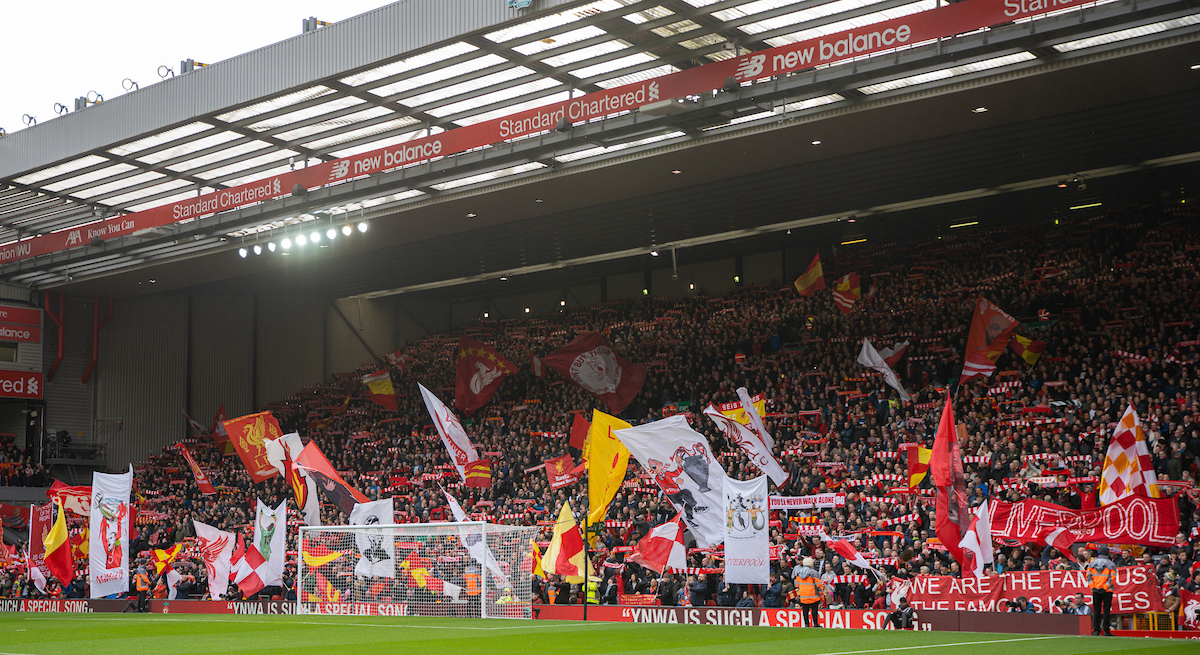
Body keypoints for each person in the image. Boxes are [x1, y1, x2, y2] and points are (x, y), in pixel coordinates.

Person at [1087, 546, 1116, 636]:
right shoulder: (1111, 564)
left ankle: (1096, 630)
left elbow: (1088, 577)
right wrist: (1105, 587)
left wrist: (1093, 587)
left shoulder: (1092, 564)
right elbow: (1112, 577)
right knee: (1106, 610)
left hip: (1095, 589)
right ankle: (1106, 630)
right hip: (1107, 590)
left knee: (1096, 610)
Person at [792, 557, 824, 627]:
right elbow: (819, 585)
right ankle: (815, 624)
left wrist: (799, 594)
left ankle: (806, 624)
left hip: (803, 596)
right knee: (814, 611)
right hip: (814, 596)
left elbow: (797, 584)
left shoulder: (799, 573)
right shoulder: (814, 573)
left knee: (805, 611)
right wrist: (821, 594)